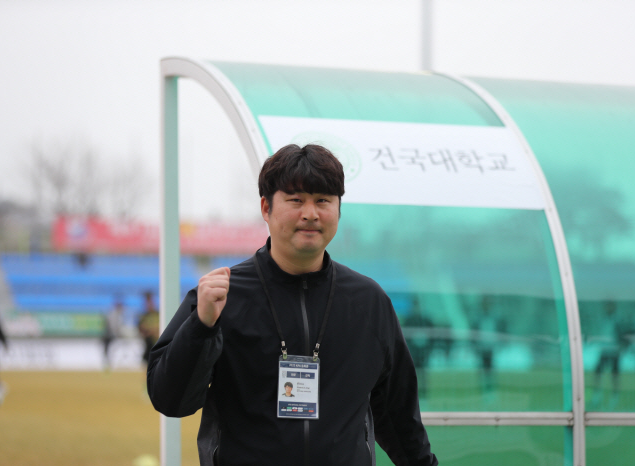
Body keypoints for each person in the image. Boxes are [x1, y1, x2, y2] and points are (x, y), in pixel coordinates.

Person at [148, 144, 437, 466]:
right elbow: (170, 400)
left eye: (323, 200)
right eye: (296, 200)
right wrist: (201, 327)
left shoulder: (368, 302)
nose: (311, 213)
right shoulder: (221, 297)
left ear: (339, 209)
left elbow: (399, 417)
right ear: (266, 208)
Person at [102, 296, 125, 371]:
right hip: (110, 336)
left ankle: (109, 365)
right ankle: (109, 365)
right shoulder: (115, 314)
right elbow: (113, 326)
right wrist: (118, 334)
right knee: (110, 351)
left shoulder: (115, 314)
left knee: (110, 351)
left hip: (110, 336)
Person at [138, 291, 159, 367]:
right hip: (149, 345)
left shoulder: (159, 314)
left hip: (159, 345)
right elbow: (142, 330)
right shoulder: (143, 316)